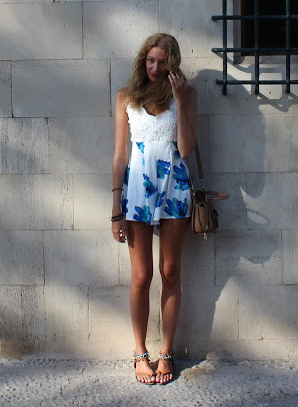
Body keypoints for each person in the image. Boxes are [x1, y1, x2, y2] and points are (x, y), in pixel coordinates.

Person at [111, 33, 197, 385]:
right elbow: (120, 155)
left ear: (172, 63)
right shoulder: (125, 96)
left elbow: (186, 150)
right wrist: (115, 208)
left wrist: (180, 100)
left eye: (162, 62)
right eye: (150, 60)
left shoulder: (187, 94)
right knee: (141, 277)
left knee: (171, 273)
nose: (155, 68)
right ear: (142, 61)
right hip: (137, 193)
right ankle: (140, 353)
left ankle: (166, 352)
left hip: (175, 189)